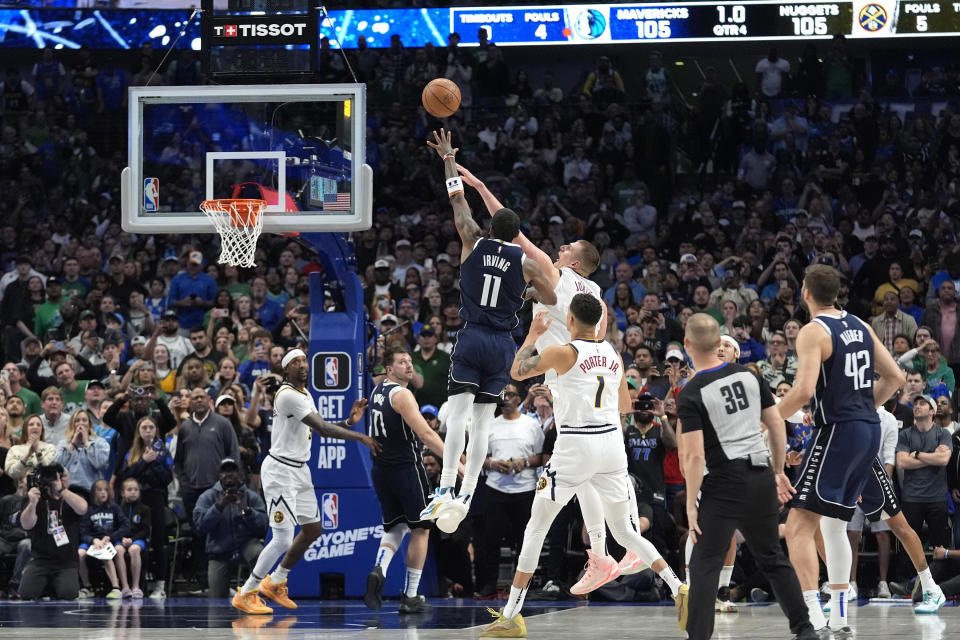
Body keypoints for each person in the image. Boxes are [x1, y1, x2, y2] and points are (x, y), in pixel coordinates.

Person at [480, 295, 683, 637]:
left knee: (536, 527)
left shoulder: (564, 352)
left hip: (576, 444)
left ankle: (511, 616)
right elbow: (623, 404)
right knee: (626, 532)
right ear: (599, 321)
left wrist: (532, 333)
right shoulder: (614, 354)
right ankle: (679, 588)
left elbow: (516, 371)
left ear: (570, 321)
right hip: (611, 445)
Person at [775, 265, 933, 638]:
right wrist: (863, 409)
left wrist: (764, 419)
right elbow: (894, 377)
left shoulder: (814, 331)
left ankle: (813, 616)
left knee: (798, 525)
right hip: (868, 430)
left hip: (839, 430)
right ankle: (841, 619)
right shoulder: (860, 325)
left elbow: (800, 393)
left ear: (805, 294)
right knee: (834, 526)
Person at [419, 129, 557, 534]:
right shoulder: (526, 263)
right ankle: (467, 495)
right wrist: (528, 289)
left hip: (472, 335)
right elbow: (547, 292)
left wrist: (448, 158)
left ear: (491, 226)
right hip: (502, 344)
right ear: (516, 234)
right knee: (483, 423)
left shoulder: (472, 240)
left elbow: (458, 201)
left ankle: (446, 488)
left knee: (457, 416)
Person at [676, 313, 816, 640]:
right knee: (772, 558)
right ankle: (805, 629)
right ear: (717, 343)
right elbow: (777, 425)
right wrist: (778, 471)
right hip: (761, 476)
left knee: (704, 563)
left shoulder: (692, 392)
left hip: (724, 482)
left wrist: (693, 504)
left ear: (687, 345)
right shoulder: (750, 377)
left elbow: (694, 455)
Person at [232, 348, 380, 614]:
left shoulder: (304, 394)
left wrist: (348, 421)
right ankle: (247, 591)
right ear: (285, 370)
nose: (301, 365)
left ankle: (275, 582)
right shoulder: (288, 395)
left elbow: (319, 425)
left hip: (300, 470)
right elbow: (323, 428)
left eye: (304, 360)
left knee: (313, 530)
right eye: (294, 362)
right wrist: (360, 436)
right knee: (281, 539)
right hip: (280, 471)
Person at [363, 346, 452, 613]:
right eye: (402, 362)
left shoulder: (377, 390)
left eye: (410, 361)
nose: (409, 365)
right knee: (421, 529)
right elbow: (425, 434)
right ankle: (411, 595)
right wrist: (455, 463)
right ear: (389, 369)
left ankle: (379, 568)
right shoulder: (402, 395)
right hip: (406, 468)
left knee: (395, 527)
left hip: (381, 470)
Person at [475, 383, 544, 599]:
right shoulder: (490, 425)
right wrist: (493, 464)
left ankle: (521, 585)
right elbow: (479, 457)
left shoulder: (531, 425)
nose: (505, 398)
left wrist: (524, 462)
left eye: (511, 394)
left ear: (518, 399)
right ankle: (489, 585)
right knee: (491, 540)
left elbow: (541, 456)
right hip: (496, 487)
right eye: (502, 394)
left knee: (524, 540)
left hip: (524, 489)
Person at [193, 458, 267, 599]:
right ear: (219, 474)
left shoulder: (251, 496)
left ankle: (260, 596)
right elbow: (200, 526)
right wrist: (219, 506)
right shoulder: (208, 497)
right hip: (220, 549)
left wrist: (246, 510)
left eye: (232, 471)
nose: (228, 475)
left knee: (259, 553)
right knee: (216, 600)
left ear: (238, 473)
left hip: (246, 544)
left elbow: (264, 526)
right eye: (225, 471)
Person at [118, 414, 174, 599]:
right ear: (139, 431)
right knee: (133, 540)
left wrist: (154, 462)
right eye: (144, 428)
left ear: (156, 430)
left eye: (151, 427)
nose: (148, 431)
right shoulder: (132, 451)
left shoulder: (163, 451)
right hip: (135, 501)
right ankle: (134, 584)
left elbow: (167, 478)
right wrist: (144, 462)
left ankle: (160, 585)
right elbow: (126, 475)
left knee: (159, 541)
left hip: (156, 498)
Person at [18, 464, 88, 600]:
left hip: (66, 562)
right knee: (26, 594)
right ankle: (47, 587)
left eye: (63, 477)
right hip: (40, 560)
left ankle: (53, 587)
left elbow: (82, 508)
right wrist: (32, 503)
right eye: (55, 478)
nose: (59, 480)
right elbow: (26, 524)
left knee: (68, 594)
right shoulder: (37, 497)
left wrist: (61, 489)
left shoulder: (72, 497)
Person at [78, 479, 128, 599]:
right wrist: (93, 540)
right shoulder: (88, 510)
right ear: (93, 493)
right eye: (99, 490)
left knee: (105, 553)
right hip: (93, 541)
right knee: (79, 554)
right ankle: (87, 587)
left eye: (106, 490)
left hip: (110, 540)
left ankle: (116, 588)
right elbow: (83, 532)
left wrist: (111, 538)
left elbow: (125, 525)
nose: (103, 493)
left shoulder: (114, 508)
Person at [53, 409, 110, 492]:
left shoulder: (100, 442)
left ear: (89, 424)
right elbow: (56, 465)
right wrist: (72, 444)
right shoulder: (63, 443)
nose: (81, 423)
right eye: (77, 420)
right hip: (68, 491)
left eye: (84, 420)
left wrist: (86, 442)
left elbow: (100, 463)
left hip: (91, 491)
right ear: (72, 425)